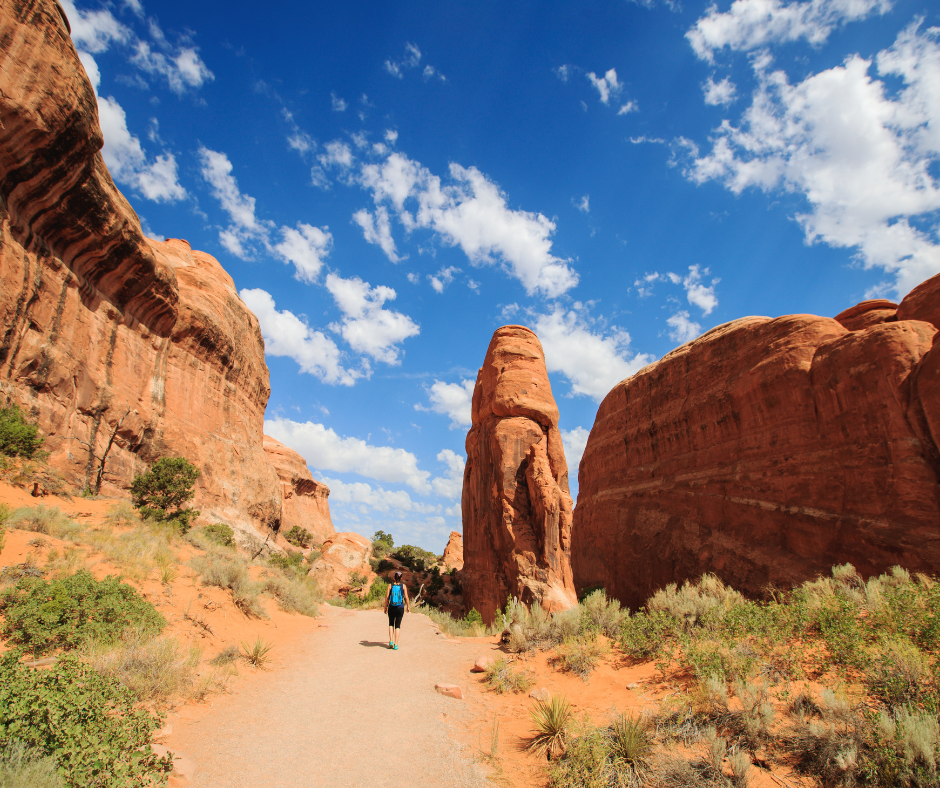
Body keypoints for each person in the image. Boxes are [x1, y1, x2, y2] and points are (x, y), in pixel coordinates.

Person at [383, 571, 411, 649]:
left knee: (391, 624)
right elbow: (406, 597)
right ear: (401, 578)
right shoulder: (403, 586)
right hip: (400, 607)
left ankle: (391, 641)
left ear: (394, 578)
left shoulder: (390, 585)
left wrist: (385, 607)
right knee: (398, 625)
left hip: (391, 607)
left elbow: (386, 597)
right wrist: (408, 607)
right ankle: (396, 644)